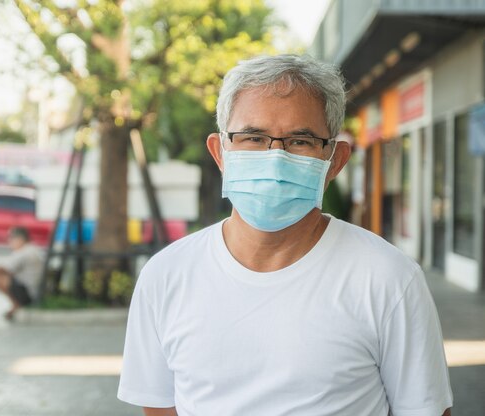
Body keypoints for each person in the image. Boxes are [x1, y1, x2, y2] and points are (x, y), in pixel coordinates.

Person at [117, 54, 453, 416]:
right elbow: (160, 408)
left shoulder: (388, 278)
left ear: (334, 161)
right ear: (220, 152)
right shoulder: (166, 275)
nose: (274, 158)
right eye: (254, 137)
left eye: (300, 141)